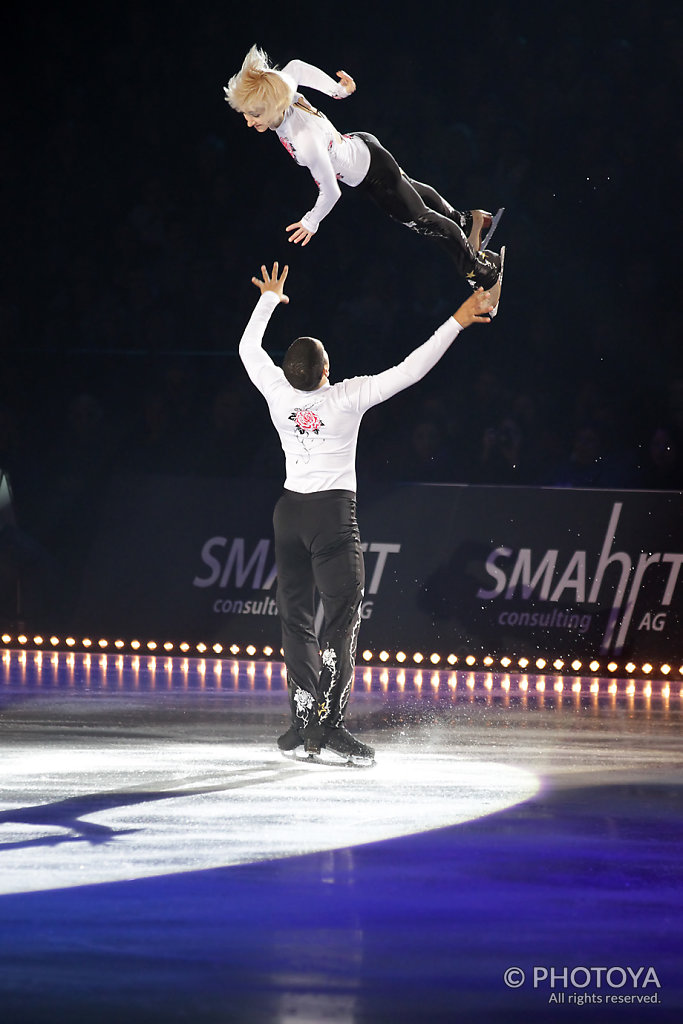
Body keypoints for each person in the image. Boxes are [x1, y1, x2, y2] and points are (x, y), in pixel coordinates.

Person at [239, 261, 495, 764]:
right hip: (331, 518)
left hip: (289, 515)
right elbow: (409, 370)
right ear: (326, 372)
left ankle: (302, 721)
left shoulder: (275, 393)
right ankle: (327, 729)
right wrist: (458, 320)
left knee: (294, 619)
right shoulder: (345, 398)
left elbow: (249, 349)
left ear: (290, 372)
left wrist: (269, 299)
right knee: (339, 620)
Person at [225, 47, 505, 313]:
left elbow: (331, 192)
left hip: (372, 175)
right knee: (411, 188)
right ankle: (467, 221)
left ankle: (482, 270)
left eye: (255, 114)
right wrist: (339, 91)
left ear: (275, 104)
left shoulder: (305, 139)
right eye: (246, 113)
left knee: (422, 219)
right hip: (363, 146)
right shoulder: (281, 86)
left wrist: (311, 221)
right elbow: (296, 69)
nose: (249, 121)